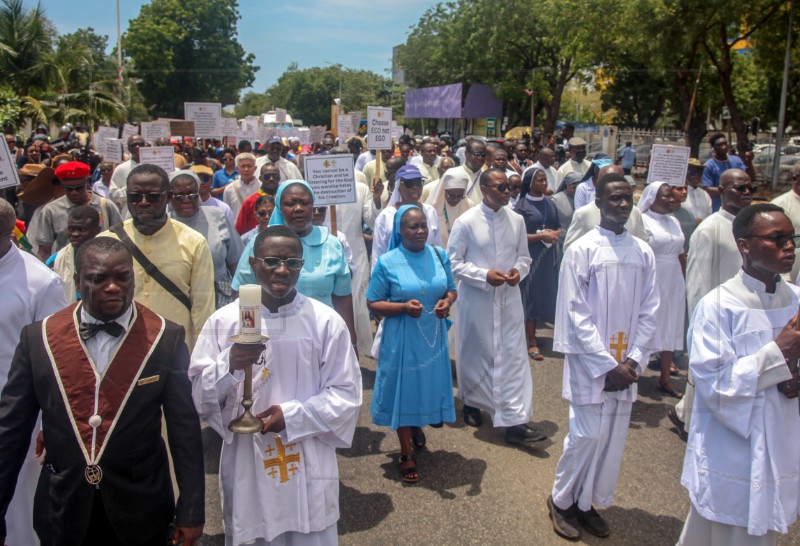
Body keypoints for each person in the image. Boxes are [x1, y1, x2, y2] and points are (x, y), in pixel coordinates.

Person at [190, 225, 361, 546]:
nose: (282, 270)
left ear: (302, 265)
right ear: (253, 264)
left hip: (308, 457)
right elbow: (200, 396)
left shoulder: (325, 322)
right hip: (248, 460)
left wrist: (291, 415)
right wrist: (230, 362)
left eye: (293, 263)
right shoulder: (225, 322)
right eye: (271, 261)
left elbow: (347, 397)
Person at [677, 204, 800, 546]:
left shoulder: (796, 300)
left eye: (791, 238)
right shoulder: (719, 306)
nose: (788, 246)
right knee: (725, 532)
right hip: (734, 446)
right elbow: (714, 383)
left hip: (782, 436)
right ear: (744, 245)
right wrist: (778, 353)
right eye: (778, 239)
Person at [547, 173, 659, 541]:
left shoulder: (643, 251)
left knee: (610, 439)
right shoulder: (582, 250)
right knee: (586, 435)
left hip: (626, 364)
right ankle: (561, 500)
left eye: (628, 198)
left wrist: (635, 361)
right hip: (591, 361)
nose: (623, 205)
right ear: (598, 202)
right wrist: (606, 364)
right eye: (615, 199)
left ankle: (586, 502)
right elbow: (574, 313)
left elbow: (650, 309)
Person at [447, 168, 546, 444]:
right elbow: (452, 263)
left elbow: (524, 258)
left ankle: (515, 421)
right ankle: (471, 402)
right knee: (477, 352)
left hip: (509, 300)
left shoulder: (515, 220)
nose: (508, 192)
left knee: (513, 358)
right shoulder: (466, 222)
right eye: (501, 188)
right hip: (477, 300)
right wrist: (484, 276)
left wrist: (517, 272)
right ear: (485, 189)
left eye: (509, 188)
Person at [367, 205, 457, 483]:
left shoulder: (439, 255)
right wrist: (403, 306)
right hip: (402, 337)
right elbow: (373, 302)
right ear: (399, 231)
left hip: (433, 335)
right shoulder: (387, 262)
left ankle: (417, 423)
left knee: (425, 385)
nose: (420, 232)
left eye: (423, 226)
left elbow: (451, 289)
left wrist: (447, 302)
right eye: (412, 227)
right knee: (405, 390)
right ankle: (405, 452)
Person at [0, 198, 65, 546]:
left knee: (17, 508)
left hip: (17, 417)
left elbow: (55, 358)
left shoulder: (41, 283)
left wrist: (48, 424)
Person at [671, 168, 753, 437]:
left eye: (748, 187)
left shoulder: (751, 226)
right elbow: (696, 284)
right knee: (705, 378)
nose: (745, 193)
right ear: (721, 190)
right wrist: (702, 325)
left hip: (743, 316)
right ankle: (690, 426)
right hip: (716, 317)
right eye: (738, 188)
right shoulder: (709, 230)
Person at [99, 163, 215, 349]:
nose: (143, 202)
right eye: (135, 197)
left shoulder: (194, 243)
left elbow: (203, 309)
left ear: (168, 197)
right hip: (120, 352)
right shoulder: (106, 243)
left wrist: (201, 358)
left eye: (152, 197)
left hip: (175, 354)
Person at [232, 181, 357, 347]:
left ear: (313, 206)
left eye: (305, 203)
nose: (298, 208)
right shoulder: (261, 243)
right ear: (279, 207)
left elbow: (342, 298)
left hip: (320, 332)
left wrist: (350, 342)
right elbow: (242, 292)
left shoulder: (332, 244)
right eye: (290, 204)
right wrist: (250, 335)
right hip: (270, 334)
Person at [168, 170, 243, 309]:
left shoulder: (216, 215)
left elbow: (236, 261)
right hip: (177, 302)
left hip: (218, 299)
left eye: (191, 194)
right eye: (179, 196)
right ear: (169, 196)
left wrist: (241, 298)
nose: (186, 200)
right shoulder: (164, 222)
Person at [639, 181, 686, 398]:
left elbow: (680, 254)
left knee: (669, 324)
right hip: (652, 276)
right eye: (665, 196)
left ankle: (665, 378)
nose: (670, 200)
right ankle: (633, 374)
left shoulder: (674, 221)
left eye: (671, 196)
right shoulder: (642, 220)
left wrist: (684, 280)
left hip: (673, 278)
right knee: (646, 325)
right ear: (651, 198)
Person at [514, 167, 561, 361]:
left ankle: (537, 334)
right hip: (530, 257)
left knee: (544, 295)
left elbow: (558, 226)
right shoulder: (521, 207)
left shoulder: (550, 203)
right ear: (530, 183)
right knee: (530, 297)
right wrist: (540, 236)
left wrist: (554, 234)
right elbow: (516, 236)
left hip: (547, 257)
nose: (544, 184)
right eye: (540, 181)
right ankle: (531, 340)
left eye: (545, 180)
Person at [33, 161, 122, 261]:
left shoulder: (106, 206)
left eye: (78, 188)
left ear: (86, 183)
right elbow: (44, 250)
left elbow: (120, 241)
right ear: (62, 186)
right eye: (68, 189)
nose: (74, 193)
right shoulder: (50, 211)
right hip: (66, 269)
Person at [372, 165, 442, 270]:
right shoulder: (386, 216)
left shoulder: (430, 211)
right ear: (398, 187)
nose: (415, 188)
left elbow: (437, 248)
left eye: (418, 183)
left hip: (427, 274)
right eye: (410, 183)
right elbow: (378, 253)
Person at [563, 165, 648, 250]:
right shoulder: (583, 214)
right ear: (596, 183)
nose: (613, 184)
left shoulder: (635, 212)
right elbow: (570, 249)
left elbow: (643, 244)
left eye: (617, 179)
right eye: (607, 180)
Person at [50, 205, 102, 303]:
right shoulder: (55, 261)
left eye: (81, 230)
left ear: (97, 231)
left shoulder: (108, 259)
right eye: (71, 229)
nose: (75, 234)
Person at [702, 133, 749, 211]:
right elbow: (707, 189)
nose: (723, 147)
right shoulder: (709, 165)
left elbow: (747, 179)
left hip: (738, 206)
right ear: (713, 148)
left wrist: (749, 162)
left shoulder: (736, 160)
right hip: (718, 207)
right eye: (720, 145)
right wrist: (728, 191)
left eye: (725, 144)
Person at [770, 162, 800, 282]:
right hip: (791, 271)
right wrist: (783, 275)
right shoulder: (780, 204)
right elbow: (775, 242)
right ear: (795, 178)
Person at [235, 163, 281, 235]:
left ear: (279, 178)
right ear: (260, 178)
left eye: (275, 176)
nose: (271, 179)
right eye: (267, 176)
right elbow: (240, 230)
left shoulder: (285, 200)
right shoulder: (249, 202)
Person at [108, 134, 148, 211]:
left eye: (140, 144)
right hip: (128, 215)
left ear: (145, 146)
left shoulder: (154, 167)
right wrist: (130, 190)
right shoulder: (120, 169)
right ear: (129, 148)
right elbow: (113, 195)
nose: (137, 147)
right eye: (134, 145)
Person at [223, 153, 260, 221]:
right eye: (243, 166)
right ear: (237, 168)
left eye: (249, 166)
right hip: (236, 230)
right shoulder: (229, 189)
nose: (246, 169)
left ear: (255, 168)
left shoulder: (261, 187)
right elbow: (226, 213)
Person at [551, 173, 581, 253]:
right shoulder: (556, 200)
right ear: (567, 185)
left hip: (580, 243)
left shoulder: (584, 198)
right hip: (562, 244)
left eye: (579, 186)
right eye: (574, 187)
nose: (577, 189)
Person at [682, 158, 711, 223]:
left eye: (699, 172)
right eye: (692, 172)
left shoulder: (705, 194)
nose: (696, 175)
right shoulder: (680, 193)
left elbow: (709, 216)